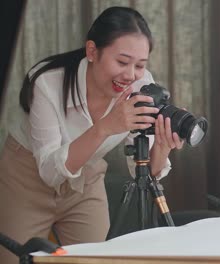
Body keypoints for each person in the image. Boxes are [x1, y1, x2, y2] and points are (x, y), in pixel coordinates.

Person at [0, 6, 184, 263]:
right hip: (26, 179)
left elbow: (143, 171)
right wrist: (106, 126)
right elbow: (50, 172)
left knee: (97, 259)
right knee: (14, 258)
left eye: (140, 65)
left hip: (86, 179)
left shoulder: (141, 86)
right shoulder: (47, 82)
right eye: (121, 62)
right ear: (92, 51)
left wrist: (162, 147)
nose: (130, 75)